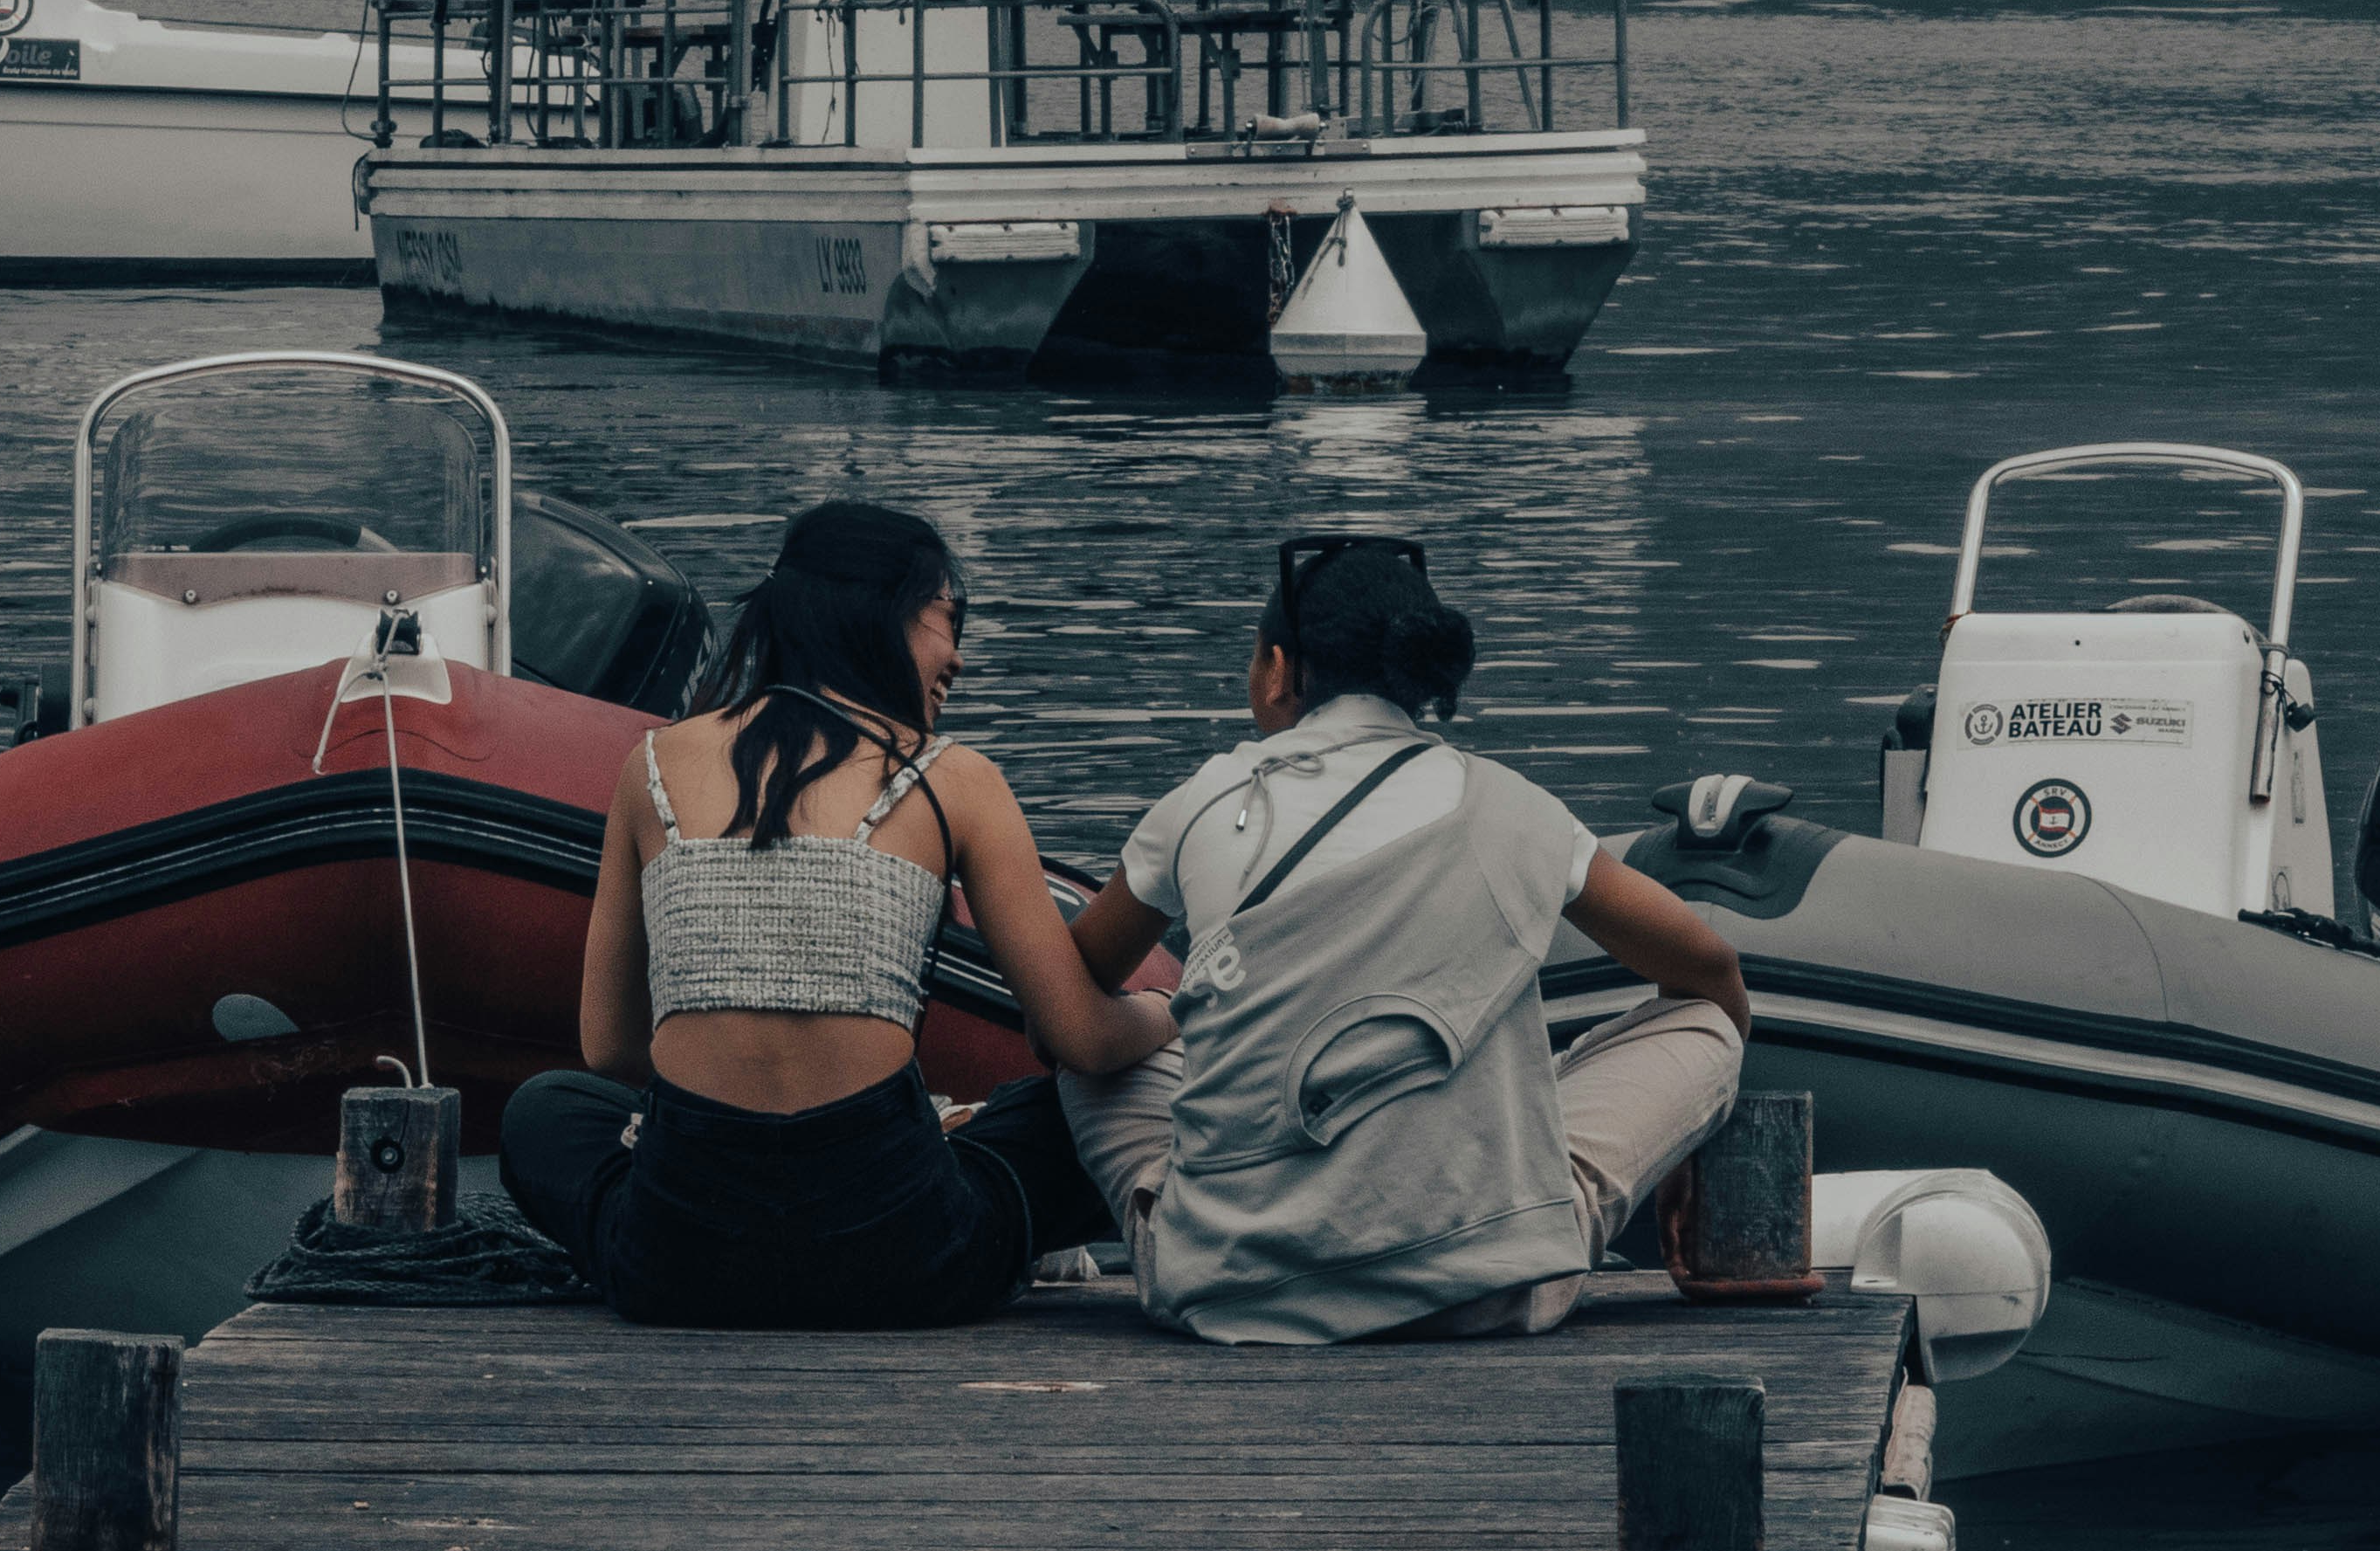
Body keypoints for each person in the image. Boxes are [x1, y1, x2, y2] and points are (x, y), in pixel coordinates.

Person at [1055, 537, 1755, 1347]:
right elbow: (1708, 967)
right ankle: (1506, 1209)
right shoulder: (1516, 811)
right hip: (1496, 1284)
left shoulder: (1203, 803)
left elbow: (1067, 1008)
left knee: (1090, 1063)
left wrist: (1161, 1016)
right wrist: (1692, 1140)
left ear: (1279, 670)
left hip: (1230, 1288)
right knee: (1704, 1026)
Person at [506, 500, 1177, 1329]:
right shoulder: (953, 778)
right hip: (907, 1264)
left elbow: (607, 1046)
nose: (957, 659)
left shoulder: (653, 762)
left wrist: (732, 1096)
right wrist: (1168, 1017)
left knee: (544, 1113)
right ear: (882, 611)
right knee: (1080, 1114)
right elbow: (1080, 1039)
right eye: (948, 619)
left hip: (678, 1263)